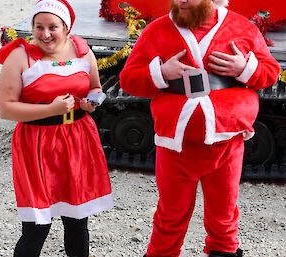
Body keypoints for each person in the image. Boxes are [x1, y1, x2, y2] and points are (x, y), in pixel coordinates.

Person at [119, 0, 281, 256]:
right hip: (175, 146)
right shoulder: (156, 30)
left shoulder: (242, 28)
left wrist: (244, 69)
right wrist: (161, 72)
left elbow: (270, 72)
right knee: (170, 216)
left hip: (226, 144)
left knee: (223, 218)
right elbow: (128, 80)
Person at [0, 0, 113, 256]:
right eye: (39, 27)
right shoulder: (19, 56)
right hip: (37, 144)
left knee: (77, 220)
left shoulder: (82, 51)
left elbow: (95, 88)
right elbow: (6, 109)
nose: (45, 34)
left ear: (66, 28)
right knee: (37, 224)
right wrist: (50, 110)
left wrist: (92, 102)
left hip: (77, 139)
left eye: (52, 27)